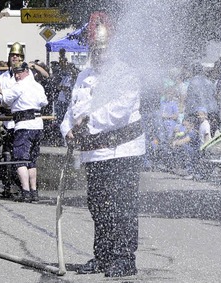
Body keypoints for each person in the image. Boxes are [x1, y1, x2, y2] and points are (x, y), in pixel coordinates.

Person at [60, 12, 144, 277]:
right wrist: (67, 130)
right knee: (98, 205)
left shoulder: (125, 73)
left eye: (104, 48)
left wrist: (87, 123)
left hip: (122, 151)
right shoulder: (83, 76)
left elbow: (119, 111)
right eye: (95, 48)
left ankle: (124, 257)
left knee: (122, 205)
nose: (100, 53)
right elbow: (72, 111)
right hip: (94, 153)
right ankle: (104, 255)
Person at [0, 62, 48, 202]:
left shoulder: (18, 86)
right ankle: (34, 191)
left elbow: (6, 101)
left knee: (20, 160)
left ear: (26, 71)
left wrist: (0, 89)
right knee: (32, 160)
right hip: (38, 124)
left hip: (24, 125)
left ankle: (25, 191)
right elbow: (44, 102)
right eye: (15, 73)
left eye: (19, 72)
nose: (17, 76)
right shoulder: (37, 86)